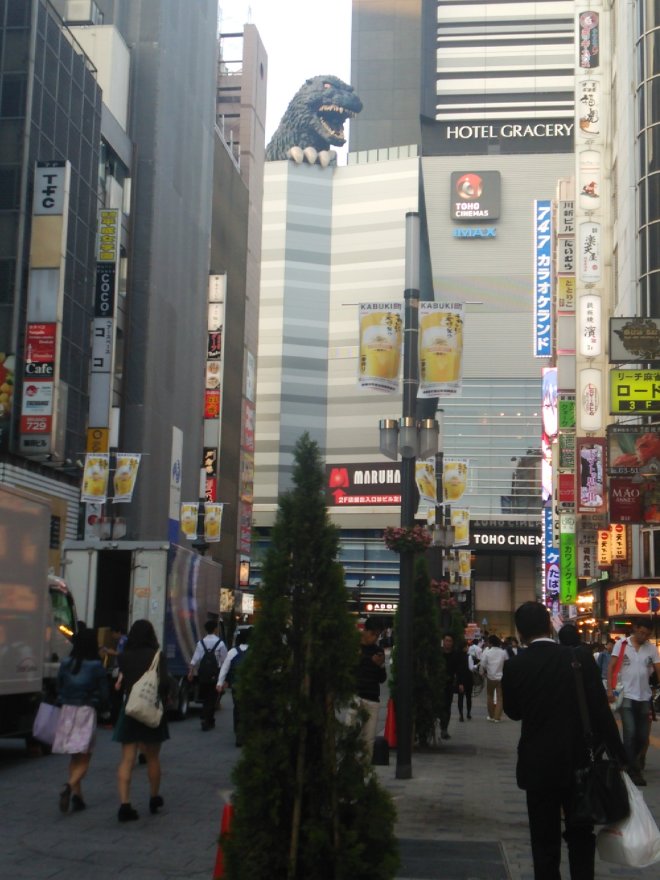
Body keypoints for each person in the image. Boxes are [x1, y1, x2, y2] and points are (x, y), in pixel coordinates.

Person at [502, 601, 626, 880]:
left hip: (538, 764)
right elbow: (600, 712)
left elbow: (513, 712)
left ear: (520, 633)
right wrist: (622, 757)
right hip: (580, 760)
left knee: (543, 838)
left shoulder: (516, 665)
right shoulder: (579, 658)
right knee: (581, 834)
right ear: (549, 625)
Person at [113, 619, 170, 821]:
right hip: (150, 711)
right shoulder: (157, 656)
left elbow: (121, 680)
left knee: (127, 759)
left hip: (130, 710)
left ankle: (124, 804)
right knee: (153, 757)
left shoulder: (123, 657)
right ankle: (154, 798)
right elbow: (165, 683)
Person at [52, 628, 109, 813]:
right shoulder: (96, 665)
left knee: (74, 756)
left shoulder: (66, 662)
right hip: (85, 711)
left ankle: (78, 797)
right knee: (85, 757)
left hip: (67, 710)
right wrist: (104, 708)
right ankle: (69, 786)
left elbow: (58, 685)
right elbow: (104, 693)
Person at [606, 618, 660, 786]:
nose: (644, 636)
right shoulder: (621, 644)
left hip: (644, 696)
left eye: (647, 634)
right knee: (630, 732)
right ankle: (633, 770)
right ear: (635, 629)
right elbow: (611, 667)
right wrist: (609, 690)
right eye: (642, 632)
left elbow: (658, 668)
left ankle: (629, 761)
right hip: (626, 695)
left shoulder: (651, 648)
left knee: (643, 737)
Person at [351, 618, 386, 758]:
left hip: (373, 698)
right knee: (350, 735)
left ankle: (364, 773)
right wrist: (368, 661)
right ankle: (349, 768)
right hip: (355, 696)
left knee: (368, 741)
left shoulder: (378, 651)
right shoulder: (354, 647)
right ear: (365, 631)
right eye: (373, 634)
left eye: (377, 636)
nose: (374, 638)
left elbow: (382, 678)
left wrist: (381, 665)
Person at [188, 620, 227, 731]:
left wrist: (190, 672)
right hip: (215, 673)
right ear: (215, 629)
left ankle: (206, 718)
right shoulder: (220, 643)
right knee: (212, 697)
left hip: (203, 674)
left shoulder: (201, 643)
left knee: (205, 697)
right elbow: (224, 660)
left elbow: (195, 658)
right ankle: (207, 719)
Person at [217, 626, 251, 747]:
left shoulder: (233, 651)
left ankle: (239, 734)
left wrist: (220, 683)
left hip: (237, 685)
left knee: (238, 709)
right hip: (251, 686)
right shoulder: (256, 651)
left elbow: (224, 668)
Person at [439, 633, 464, 739]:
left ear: (452, 643)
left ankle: (444, 729)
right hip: (437, 684)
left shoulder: (456, 655)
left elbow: (459, 670)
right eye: (446, 640)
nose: (448, 643)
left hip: (448, 684)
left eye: (450, 641)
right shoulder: (438, 654)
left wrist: (460, 684)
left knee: (447, 706)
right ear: (443, 641)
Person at [480, 634, 507, 722]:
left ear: (490, 643)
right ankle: (497, 717)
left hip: (490, 677)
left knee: (490, 696)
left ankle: (491, 716)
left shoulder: (487, 652)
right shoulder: (503, 652)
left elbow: (483, 664)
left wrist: (482, 673)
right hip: (501, 677)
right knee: (500, 697)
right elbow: (507, 663)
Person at [456, 641, 474, 721]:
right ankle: (468, 713)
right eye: (467, 647)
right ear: (464, 648)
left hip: (460, 680)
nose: (467, 648)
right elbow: (471, 668)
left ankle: (461, 715)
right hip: (468, 679)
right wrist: (476, 666)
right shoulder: (468, 657)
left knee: (460, 698)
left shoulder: (456, 656)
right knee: (468, 697)